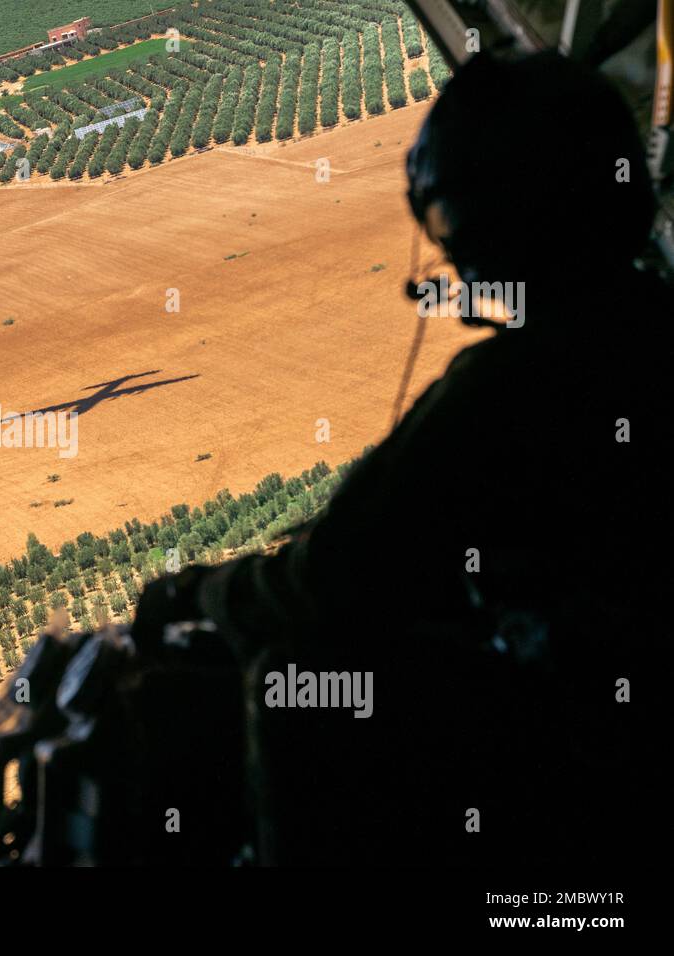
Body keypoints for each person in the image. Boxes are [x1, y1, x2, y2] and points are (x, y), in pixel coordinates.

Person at [135, 52, 670, 866]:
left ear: (477, 222)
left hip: (596, 764)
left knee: (302, 680)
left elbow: (336, 578)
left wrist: (200, 593)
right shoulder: (650, 330)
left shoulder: (512, 385)